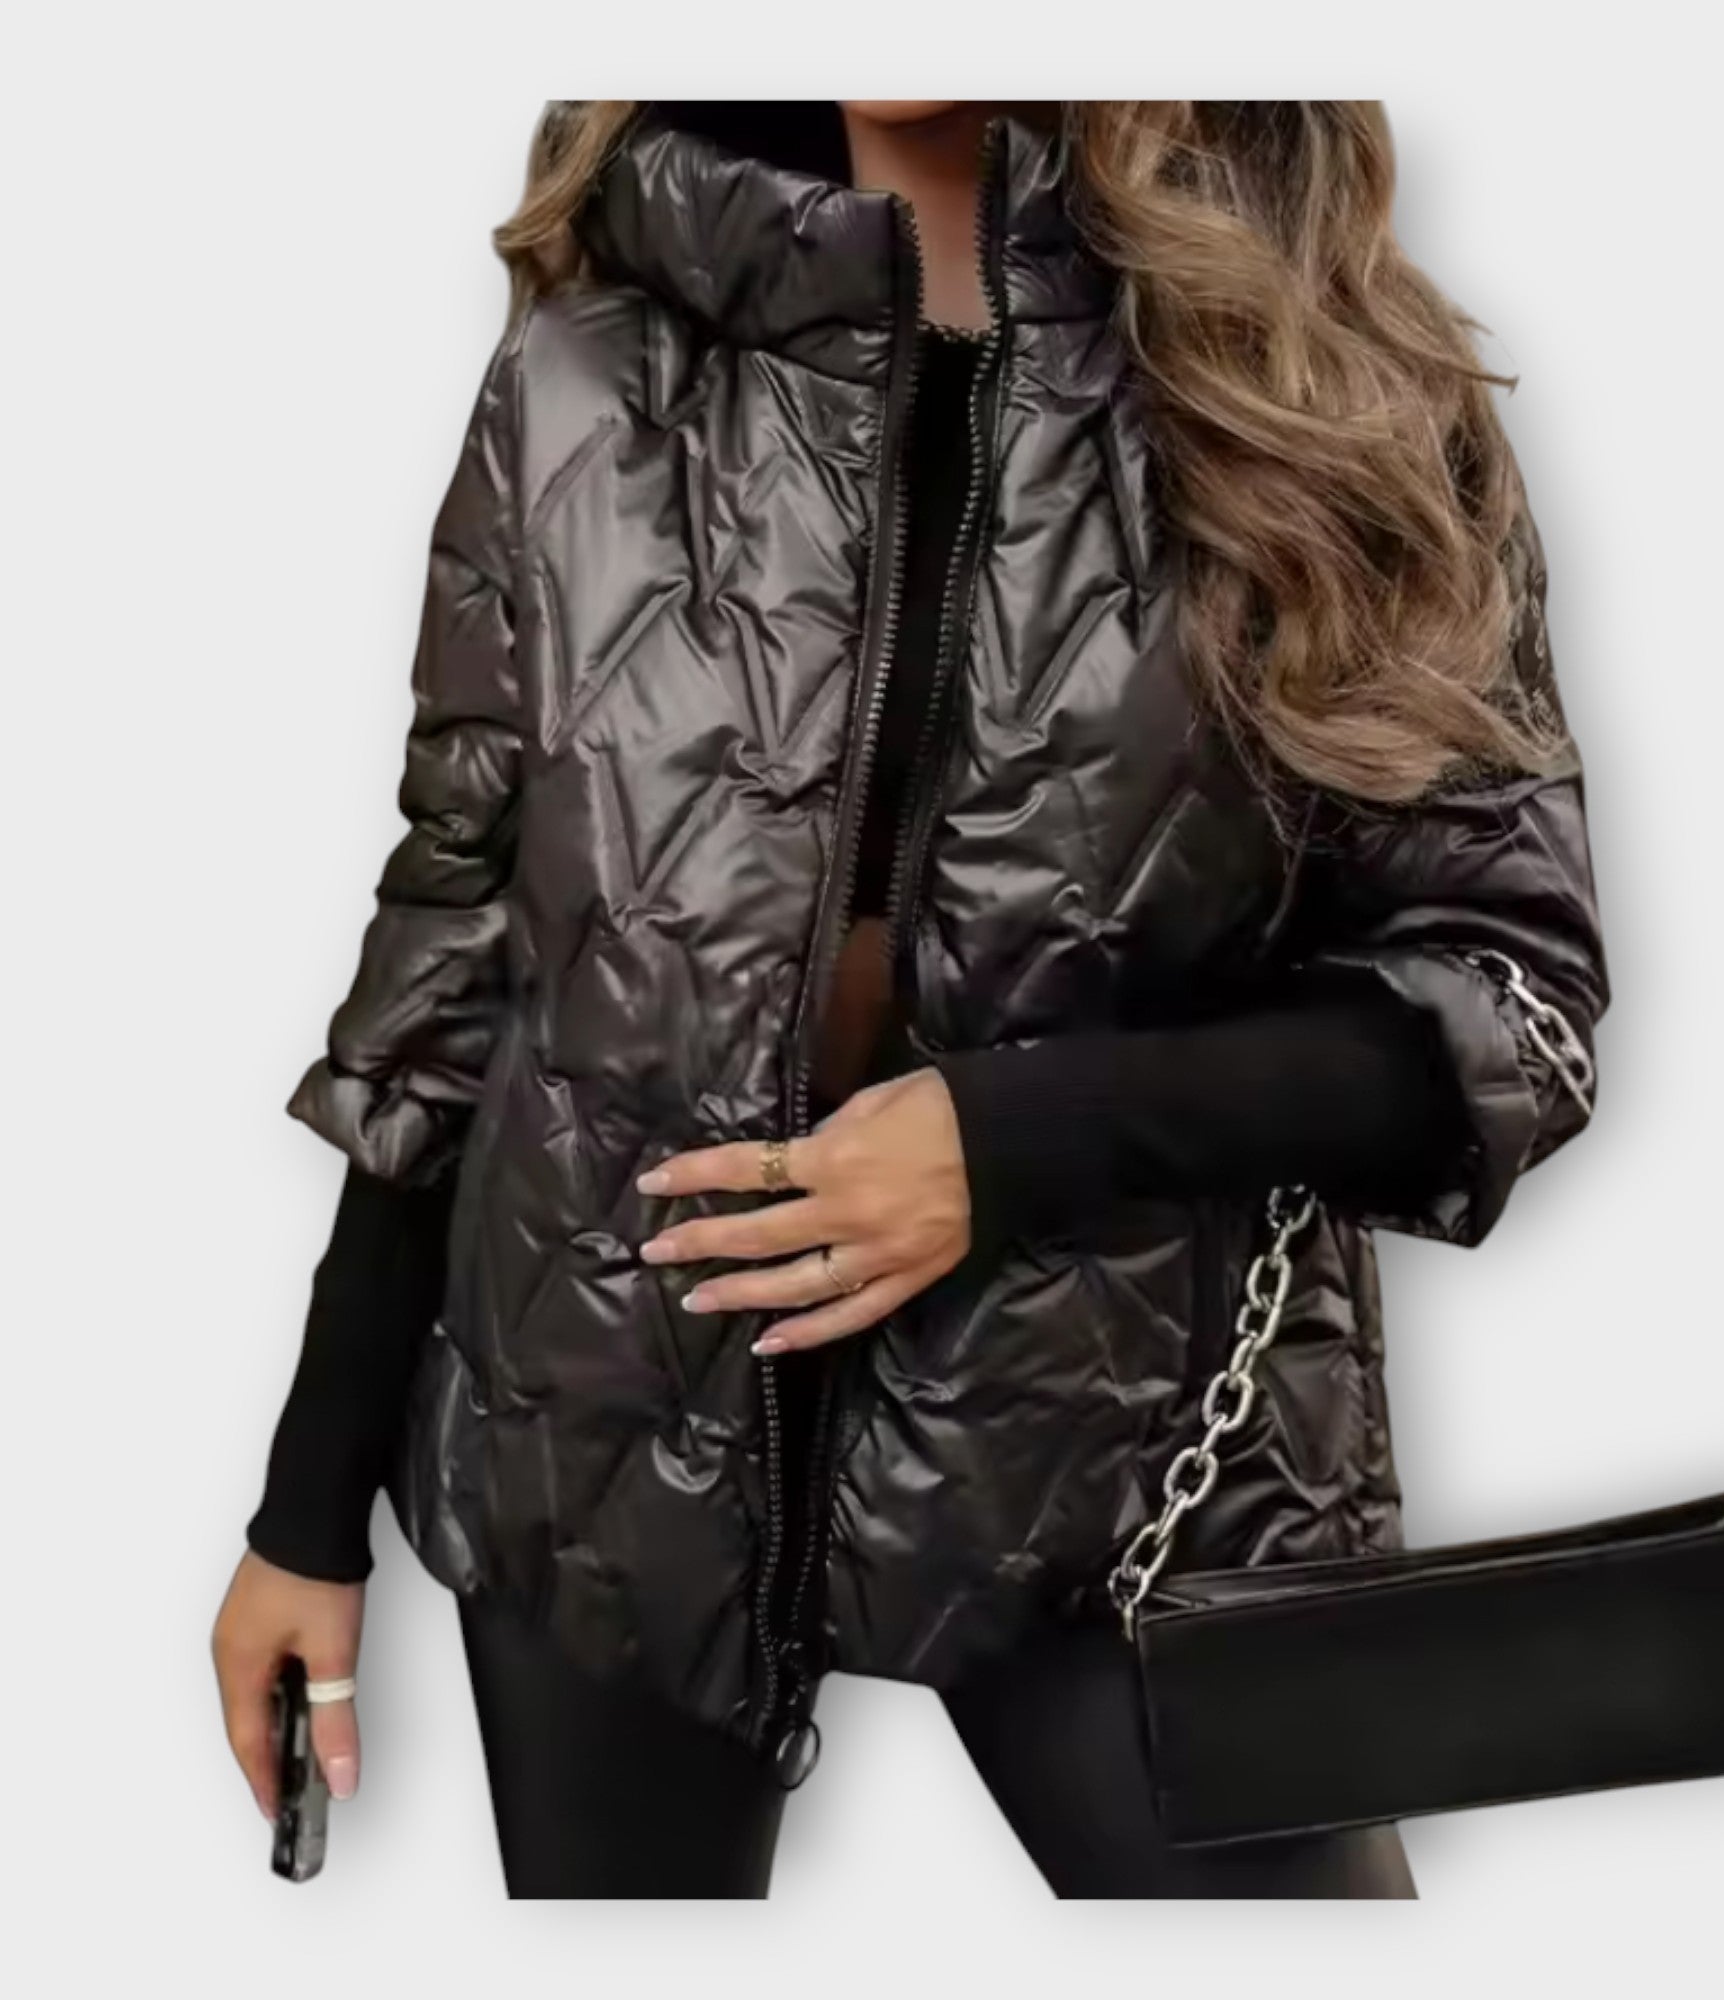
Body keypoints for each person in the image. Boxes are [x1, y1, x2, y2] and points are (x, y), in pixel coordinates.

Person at [210, 99, 1609, 1899]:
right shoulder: (593, 351)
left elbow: (1514, 1000)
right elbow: (462, 956)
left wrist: (1004, 1142)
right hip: (606, 1423)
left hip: (1139, 1448)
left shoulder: (1320, 375)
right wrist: (306, 1509)